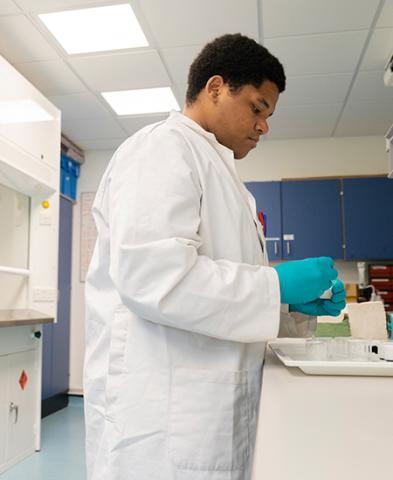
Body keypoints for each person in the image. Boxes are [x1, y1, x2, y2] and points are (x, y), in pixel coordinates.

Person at [84, 33, 346, 480]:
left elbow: (225, 298)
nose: (264, 125)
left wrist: (285, 304)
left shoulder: (226, 179)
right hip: (162, 424)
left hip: (210, 413)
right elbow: (155, 279)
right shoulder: (162, 149)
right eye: (258, 107)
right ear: (216, 87)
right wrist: (275, 286)